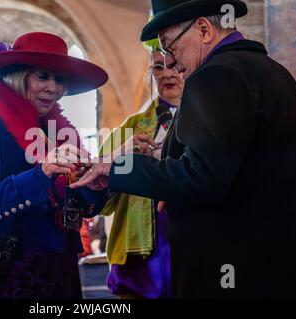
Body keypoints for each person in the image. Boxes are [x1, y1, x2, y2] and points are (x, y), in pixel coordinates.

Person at [72, 0, 296, 298]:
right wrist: (163, 160)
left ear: (204, 30)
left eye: (170, 46)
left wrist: (118, 167)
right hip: (278, 263)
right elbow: (234, 164)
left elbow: (201, 178)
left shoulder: (213, 75)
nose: (173, 63)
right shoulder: (275, 73)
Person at [0, 32, 108, 299]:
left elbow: (82, 207)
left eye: (59, 79)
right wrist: (41, 174)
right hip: (10, 275)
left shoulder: (58, 132)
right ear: (17, 76)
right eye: (43, 76)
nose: (53, 88)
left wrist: (96, 184)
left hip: (63, 274)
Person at [99, 34, 184, 299]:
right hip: (142, 252)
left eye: (173, 65)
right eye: (158, 67)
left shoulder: (210, 120)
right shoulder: (129, 128)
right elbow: (100, 198)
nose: (167, 74)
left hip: (194, 244)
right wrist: (120, 159)